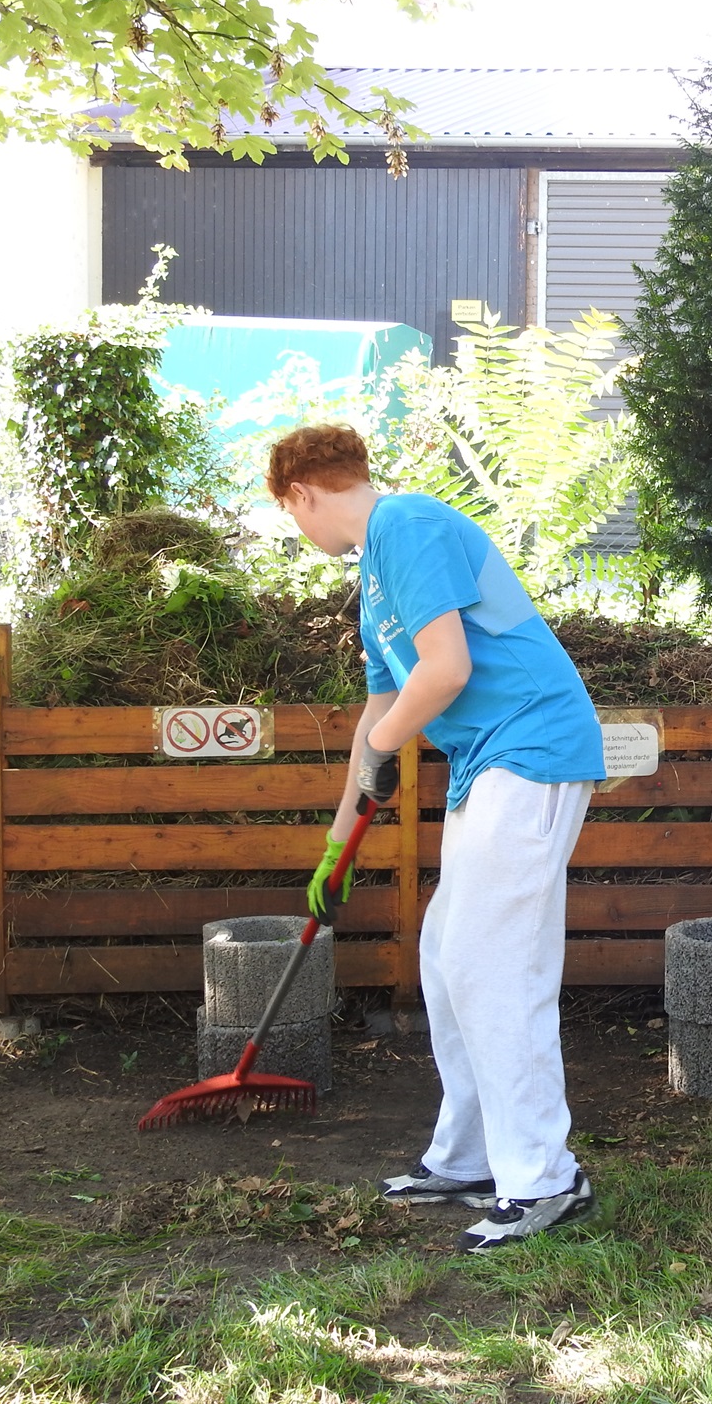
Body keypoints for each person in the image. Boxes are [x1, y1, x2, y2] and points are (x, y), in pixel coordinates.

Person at [268, 421, 605, 1252]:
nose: (298, 530)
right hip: (488, 765)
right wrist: (334, 845)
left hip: (532, 750)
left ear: (302, 493)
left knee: (495, 964)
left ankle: (545, 1180)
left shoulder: (407, 526)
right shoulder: (376, 579)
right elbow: (378, 718)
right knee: (448, 956)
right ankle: (470, 1157)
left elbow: (446, 670)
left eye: (290, 514)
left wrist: (384, 752)